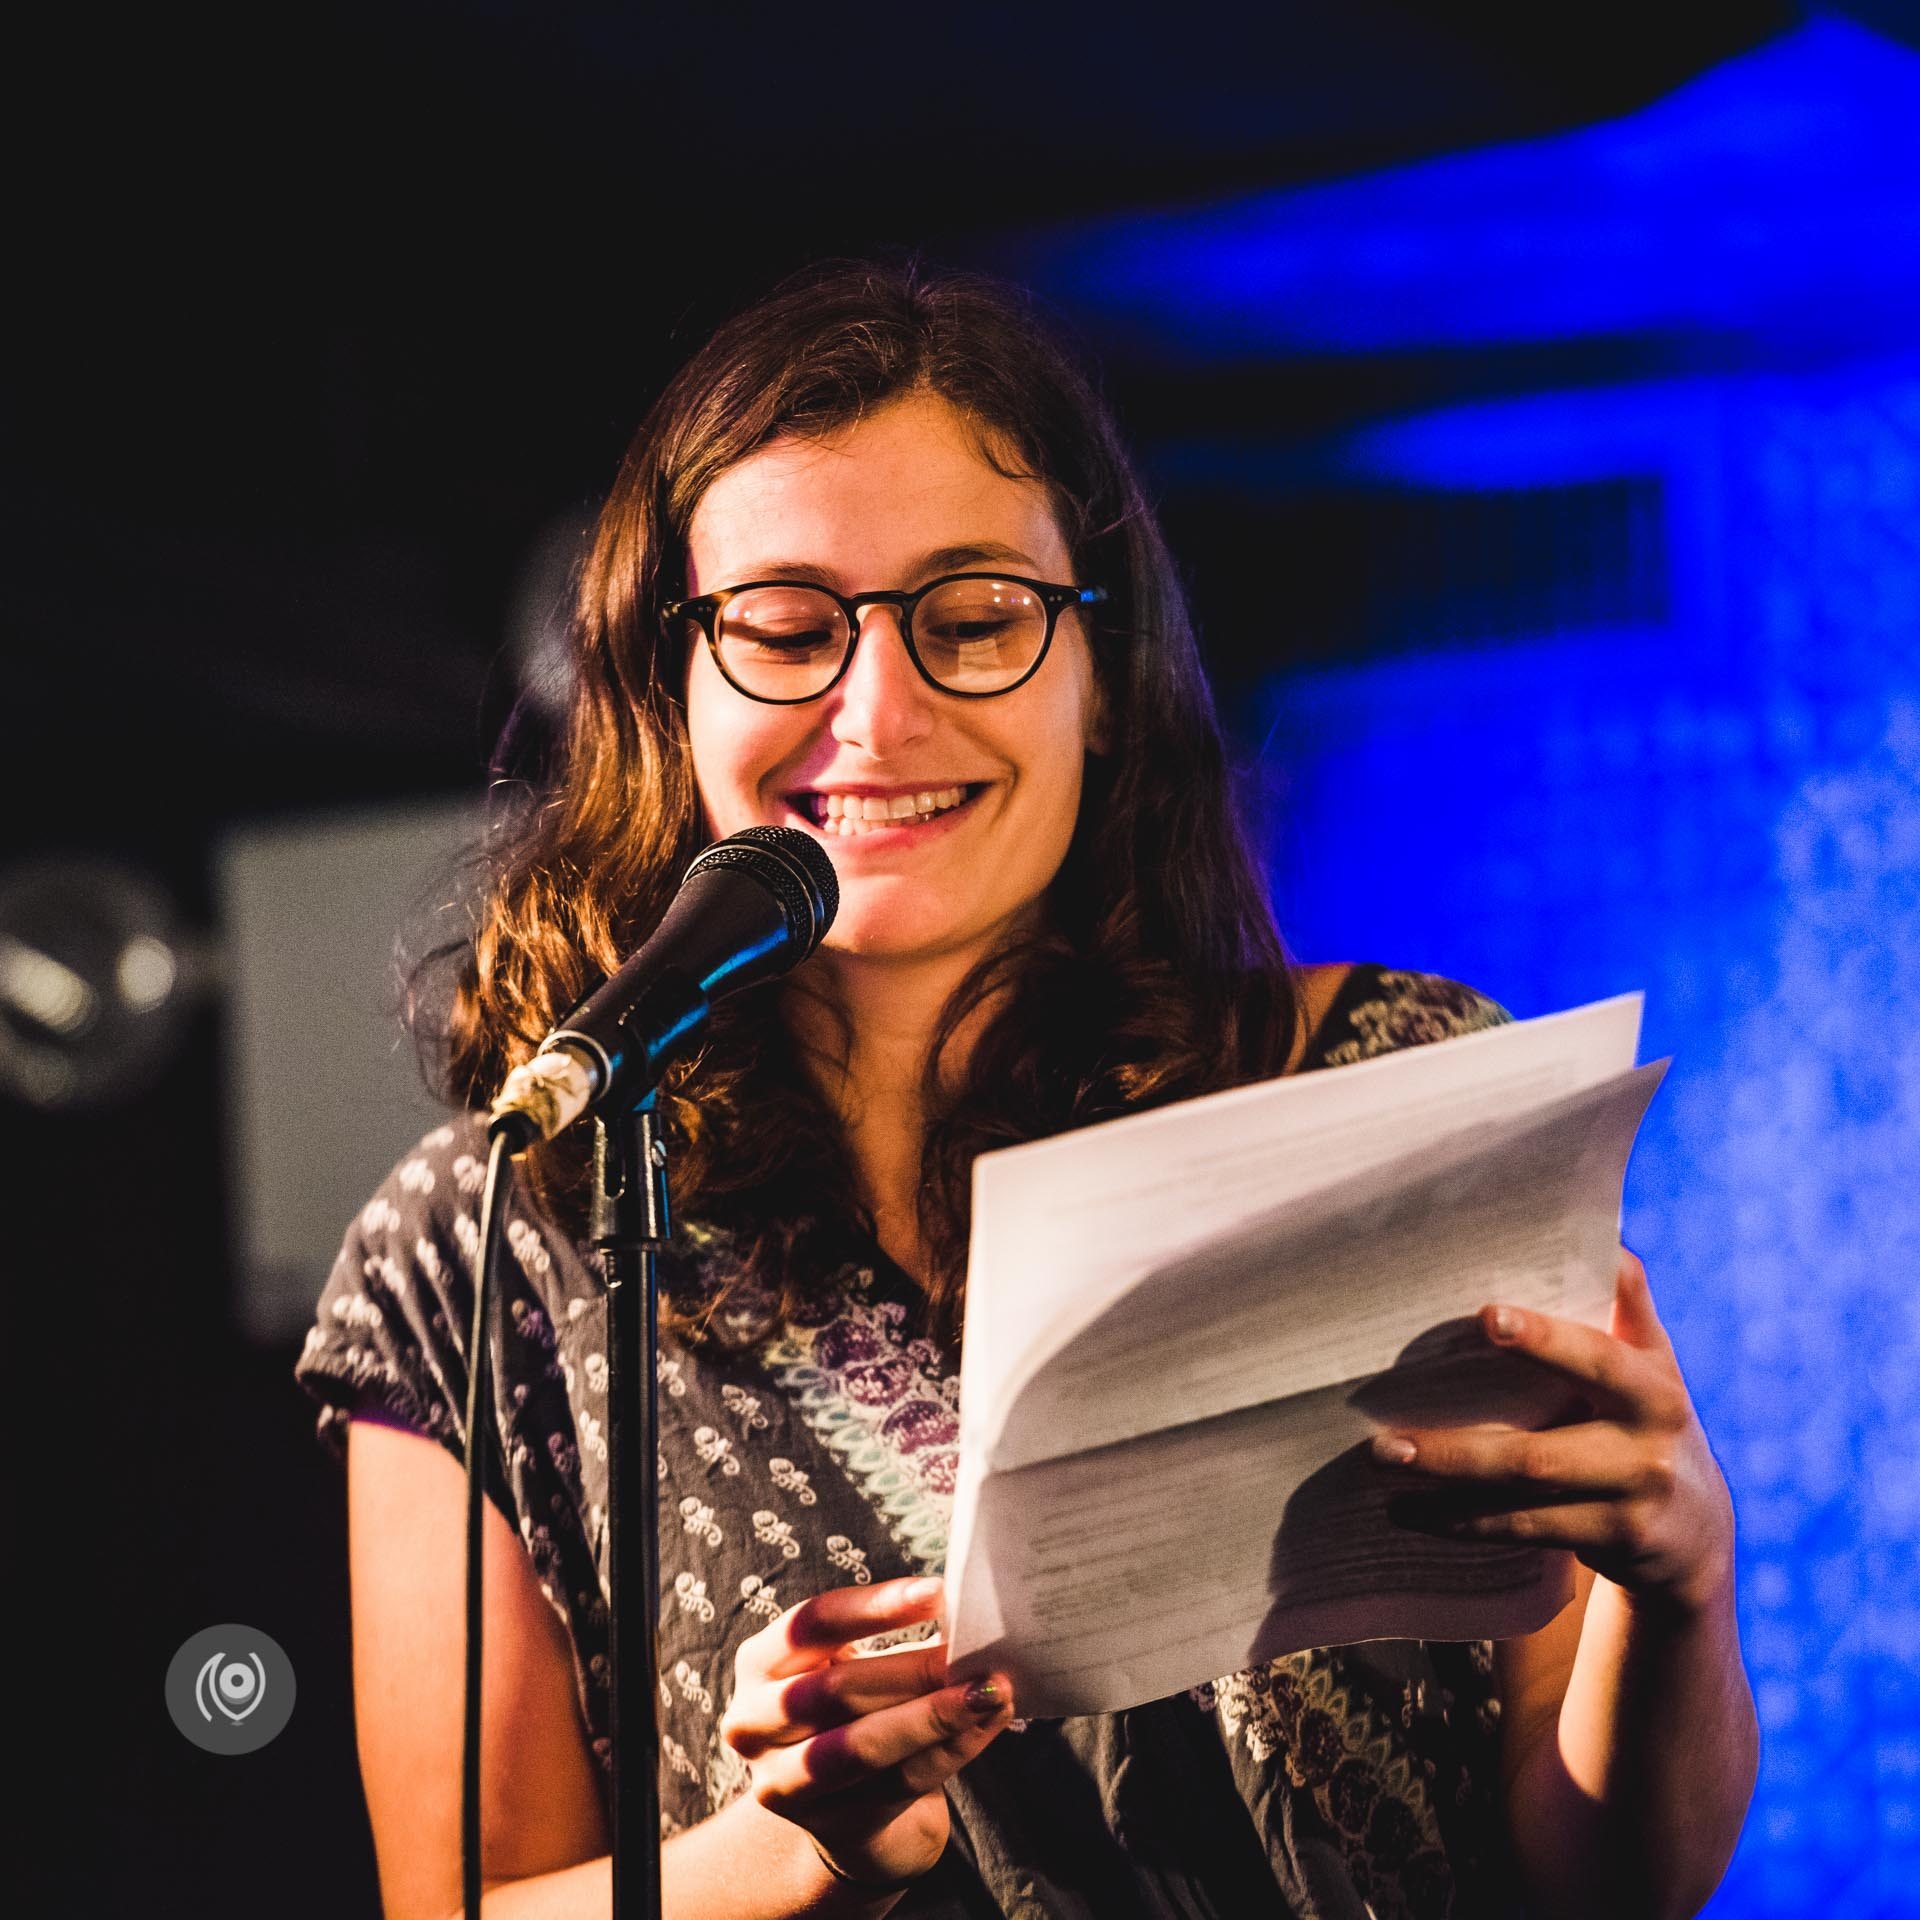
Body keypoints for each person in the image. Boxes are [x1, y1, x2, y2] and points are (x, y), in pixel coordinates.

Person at [296, 260, 1757, 1920]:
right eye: (786, 628)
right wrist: (791, 1847)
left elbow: (1606, 1886)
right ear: (665, 682)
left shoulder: (1394, 1079)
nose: (877, 708)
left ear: (1101, 669)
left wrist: (1681, 1586)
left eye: (974, 618)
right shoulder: (481, 1238)